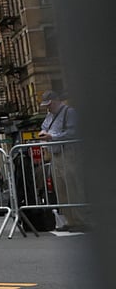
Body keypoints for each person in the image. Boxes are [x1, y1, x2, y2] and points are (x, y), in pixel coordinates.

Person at [37, 90, 85, 231]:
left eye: (50, 104)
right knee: (61, 189)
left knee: (73, 187)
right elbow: (44, 127)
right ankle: (70, 221)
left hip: (69, 153)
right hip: (56, 154)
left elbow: (73, 132)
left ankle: (80, 220)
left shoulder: (69, 113)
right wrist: (44, 134)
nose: (48, 107)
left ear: (56, 101)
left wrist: (52, 137)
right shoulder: (49, 115)